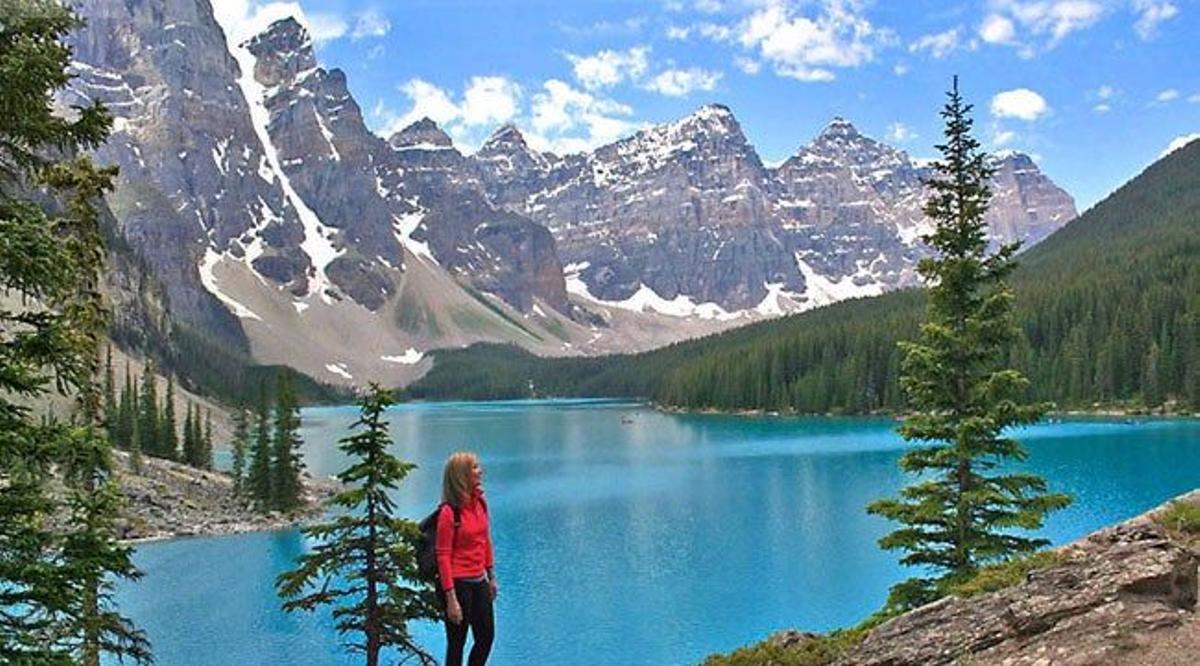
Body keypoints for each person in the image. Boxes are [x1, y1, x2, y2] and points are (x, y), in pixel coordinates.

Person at [436, 451, 497, 666]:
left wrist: (491, 576)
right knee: (457, 643)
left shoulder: (480, 503)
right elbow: (442, 555)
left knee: (486, 638)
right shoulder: (449, 512)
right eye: (474, 468)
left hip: (479, 580)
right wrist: (451, 599)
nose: (480, 471)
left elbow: (485, 540)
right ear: (461, 475)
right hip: (458, 584)